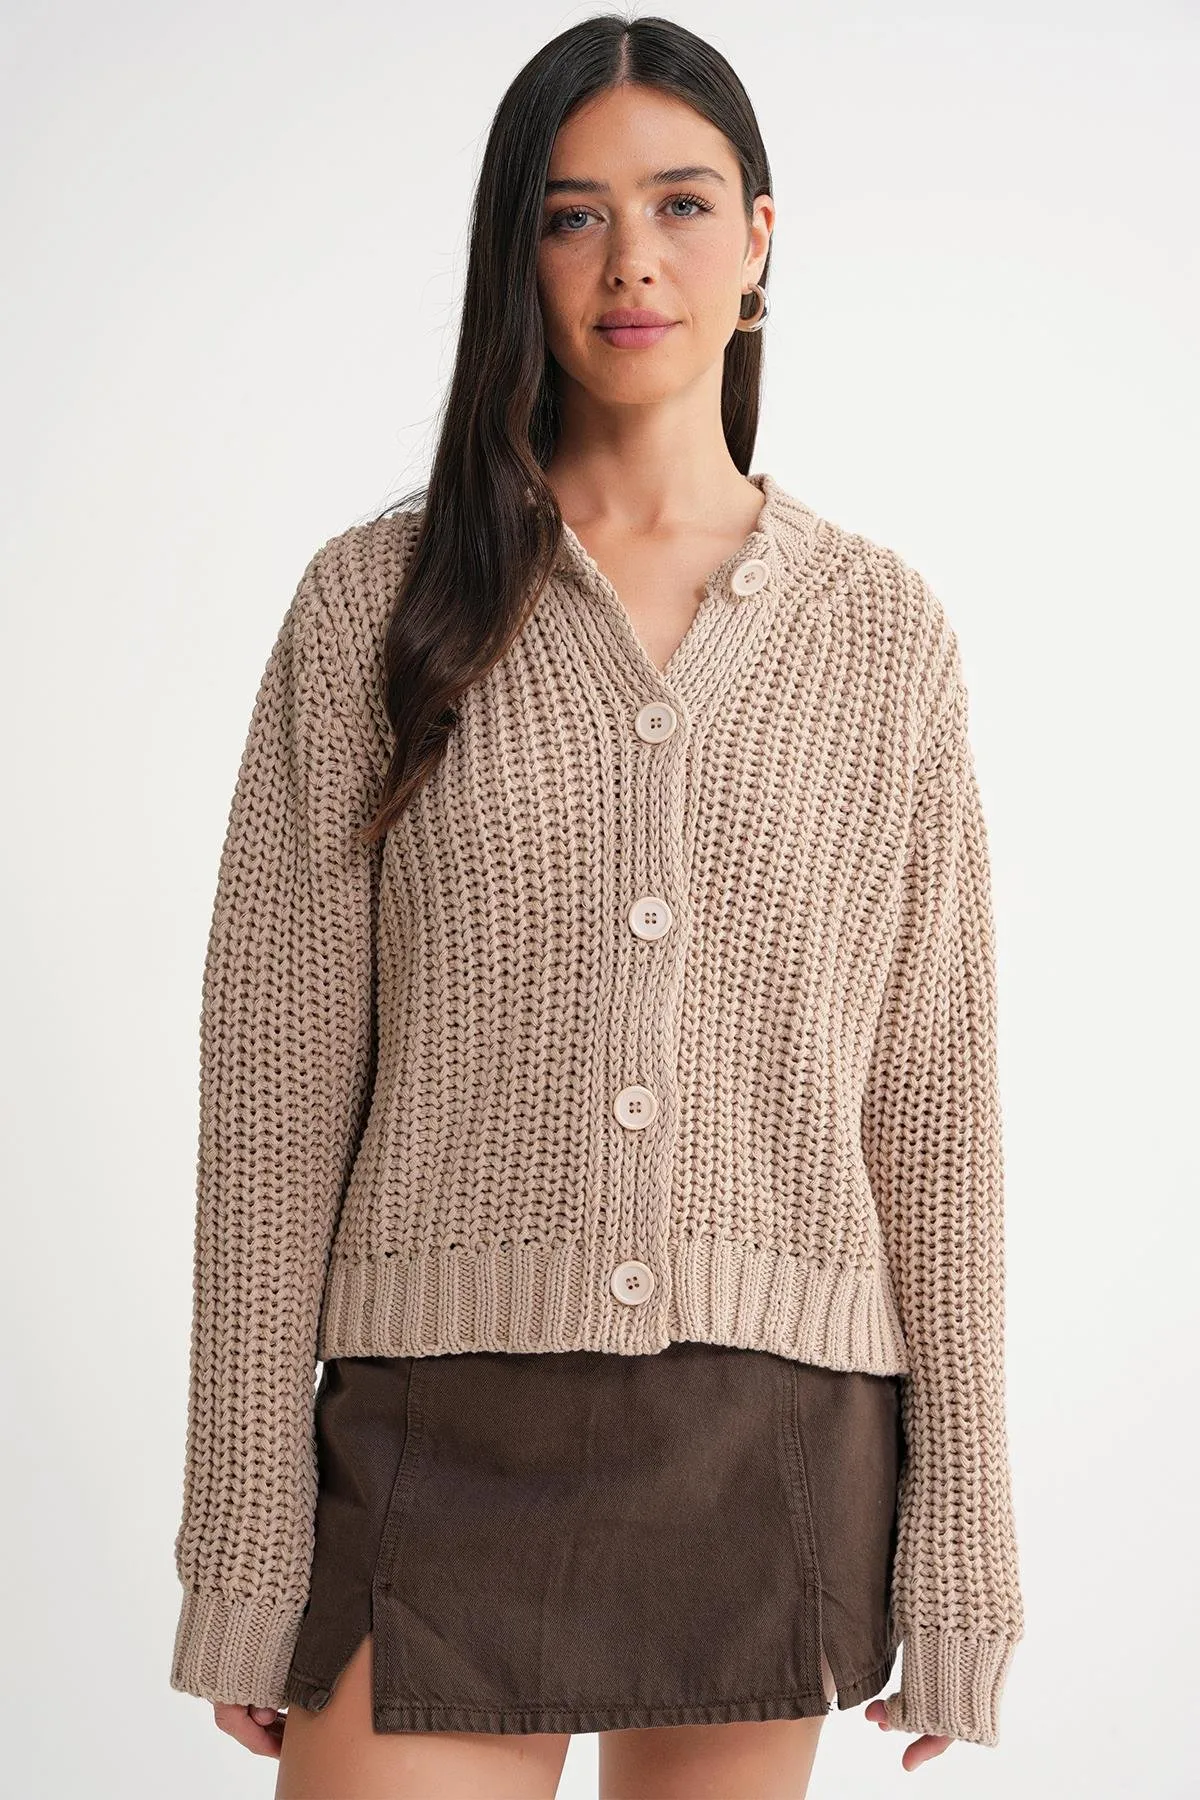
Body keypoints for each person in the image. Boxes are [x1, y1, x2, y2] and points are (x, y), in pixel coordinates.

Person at [168, 15, 1025, 1799]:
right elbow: (272, 1098)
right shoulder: (375, 607)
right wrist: (244, 1546)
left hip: (767, 1434)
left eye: (682, 204)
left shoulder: (883, 638)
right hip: (435, 1428)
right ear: (520, 255)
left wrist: (966, 1558)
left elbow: (933, 1114)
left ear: (761, 241)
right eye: (573, 215)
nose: (633, 259)